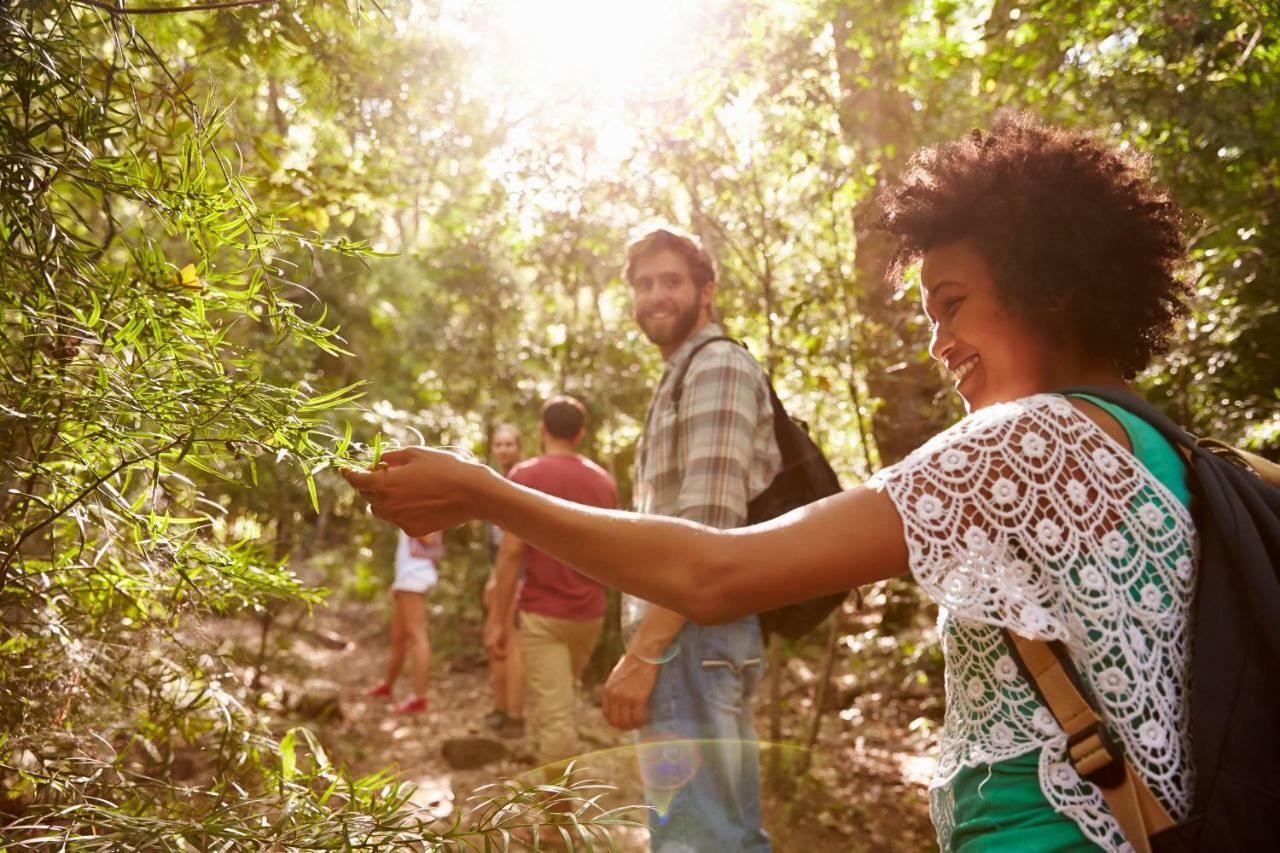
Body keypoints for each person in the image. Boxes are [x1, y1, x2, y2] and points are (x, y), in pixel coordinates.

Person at [346, 113, 1196, 853]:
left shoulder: (1024, 442)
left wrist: (486, 491)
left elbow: (718, 568)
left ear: (1048, 289)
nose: (938, 342)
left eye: (952, 302)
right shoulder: (1175, 450)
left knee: (703, 830)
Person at [602, 225, 779, 851]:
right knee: (713, 834)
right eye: (644, 283)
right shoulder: (679, 374)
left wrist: (645, 654)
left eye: (672, 280)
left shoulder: (718, 367)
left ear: (706, 290)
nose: (656, 294)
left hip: (692, 637)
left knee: (700, 840)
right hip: (687, 637)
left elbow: (707, 532)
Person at [484, 396, 618, 774]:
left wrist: (497, 619)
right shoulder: (603, 482)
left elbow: (510, 555)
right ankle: (551, 782)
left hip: (543, 614)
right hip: (589, 615)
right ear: (580, 434)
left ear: (542, 429)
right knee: (560, 699)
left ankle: (557, 823)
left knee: (557, 715)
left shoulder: (525, 476)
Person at [367, 529, 443, 714]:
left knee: (418, 637)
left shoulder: (425, 503)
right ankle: (387, 686)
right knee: (398, 637)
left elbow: (430, 536)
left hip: (415, 577)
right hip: (406, 577)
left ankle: (419, 698)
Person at [482, 423, 525, 736]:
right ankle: (499, 708)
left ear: (519, 447)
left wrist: (509, 579)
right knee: (494, 640)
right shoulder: (495, 481)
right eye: (499, 444)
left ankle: (514, 715)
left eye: (510, 444)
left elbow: (519, 544)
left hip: (519, 576)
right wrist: (493, 577)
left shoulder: (524, 480)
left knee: (509, 641)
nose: (505, 449)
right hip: (498, 573)